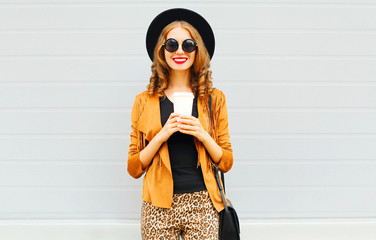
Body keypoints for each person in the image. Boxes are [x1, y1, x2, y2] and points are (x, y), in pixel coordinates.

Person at [127, 8, 233, 239]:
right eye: (172, 44)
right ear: (162, 51)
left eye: (188, 45)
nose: (180, 51)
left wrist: (202, 134)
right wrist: (162, 135)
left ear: (197, 51)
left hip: (203, 202)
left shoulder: (214, 99)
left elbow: (226, 162)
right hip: (158, 205)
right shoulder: (144, 101)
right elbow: (134, 168)